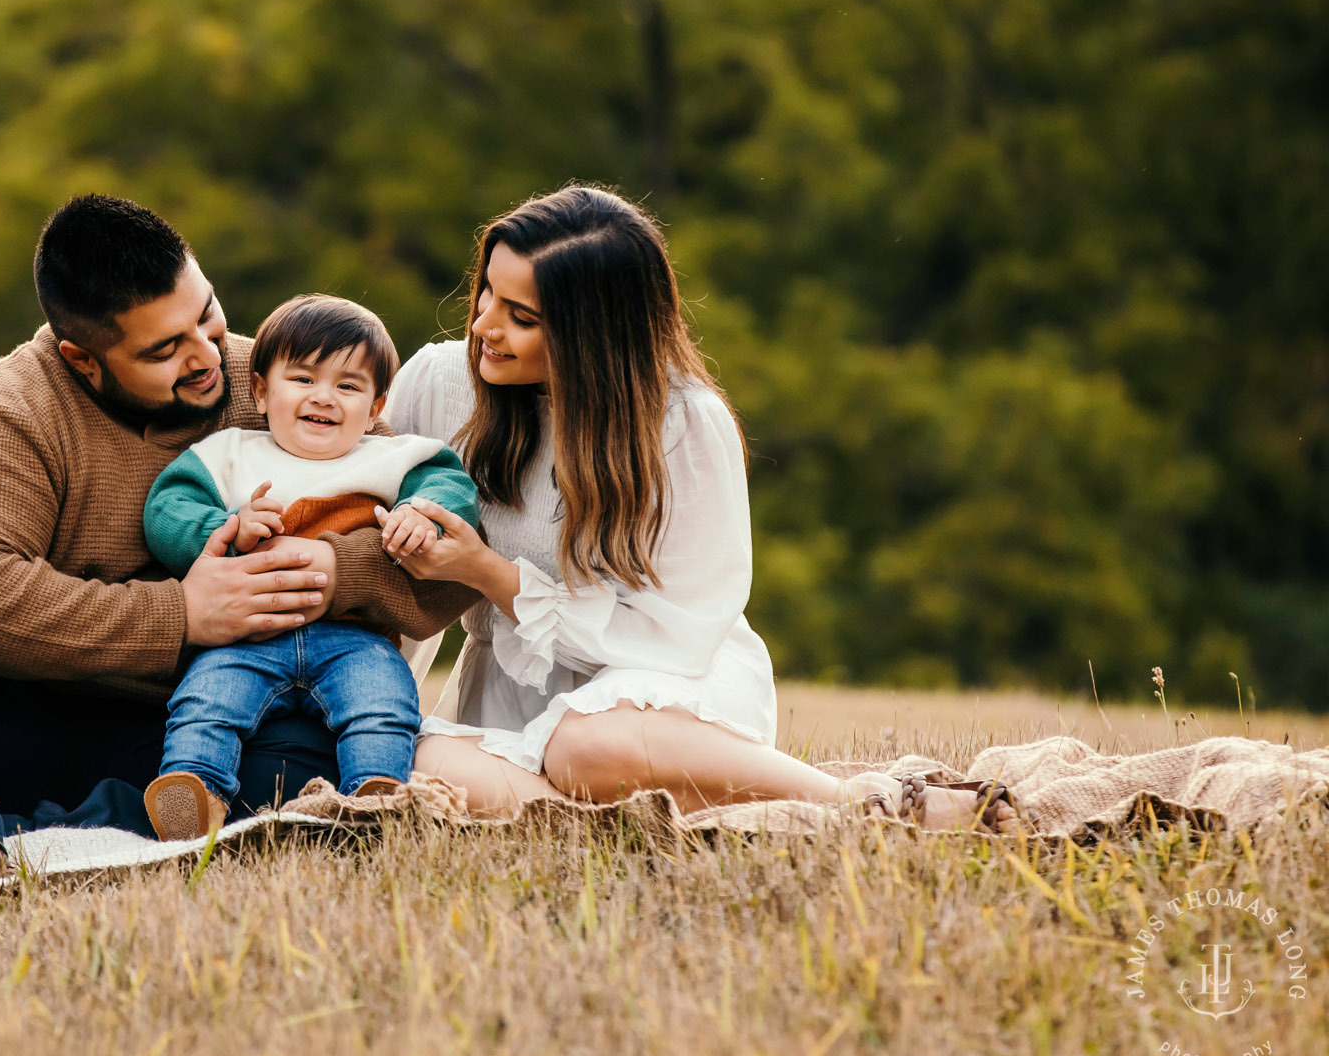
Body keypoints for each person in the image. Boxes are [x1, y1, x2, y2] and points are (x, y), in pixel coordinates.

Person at [0, 196, 475, 891]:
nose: (207, 357)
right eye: (165, 349)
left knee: (309, 758)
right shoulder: (5, 417)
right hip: (10, 713)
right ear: (85, 359)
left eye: (205, 315)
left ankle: (60, 826)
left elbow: (446, 559)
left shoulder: (279, 384)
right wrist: (183, 615)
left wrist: (334, 566)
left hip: (201, 725)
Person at [379, 186, 1023, 832]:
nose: (483, 325)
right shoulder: (439, 383)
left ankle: (861, 803)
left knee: (584, 749)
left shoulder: (682, 425)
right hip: (511, 706)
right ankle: (602, 822)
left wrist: (492, 574)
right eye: (487, 293)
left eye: (521, 316)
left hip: (661, 704)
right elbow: (354, 515)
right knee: (401, 755)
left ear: (592, 337)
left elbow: (679, 636)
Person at [139, 295, 481, 839]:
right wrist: (224, 529)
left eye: (348, 386)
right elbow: (167, 509)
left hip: (356, 636)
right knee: (206, 701)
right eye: (302, 378)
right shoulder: (227, 453)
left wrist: (420, 513)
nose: (324, 397)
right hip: (243, 637)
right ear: (260, 390)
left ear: (375, 408)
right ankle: (195, 793)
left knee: (384, 704)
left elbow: (451, 489)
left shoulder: (395, 458)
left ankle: (378, 797)